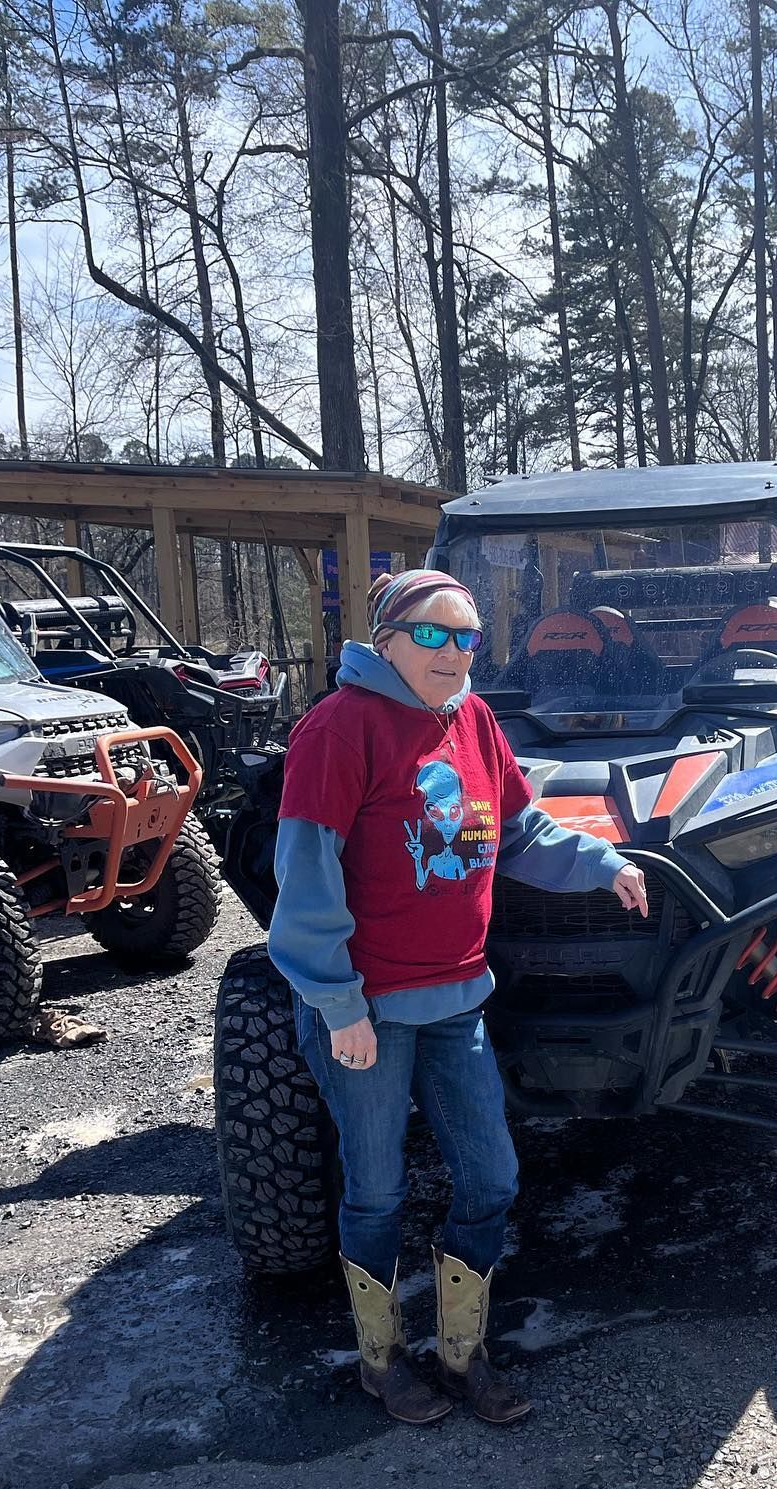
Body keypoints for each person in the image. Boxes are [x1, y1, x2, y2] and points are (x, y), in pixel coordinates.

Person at [268, 569, 648, 1425]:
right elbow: (307, 876)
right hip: (364, 1012)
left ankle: (460, 1354)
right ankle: (380, 1361)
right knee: (376, 1190)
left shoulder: (473, 719)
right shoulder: (340, 728)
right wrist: (338, 1006)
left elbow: (518, 831)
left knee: (492, 1179)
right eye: (432, 635)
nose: (451, 653)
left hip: (454, 1004)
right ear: (387, 639)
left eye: (466, 637)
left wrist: (603, 864)